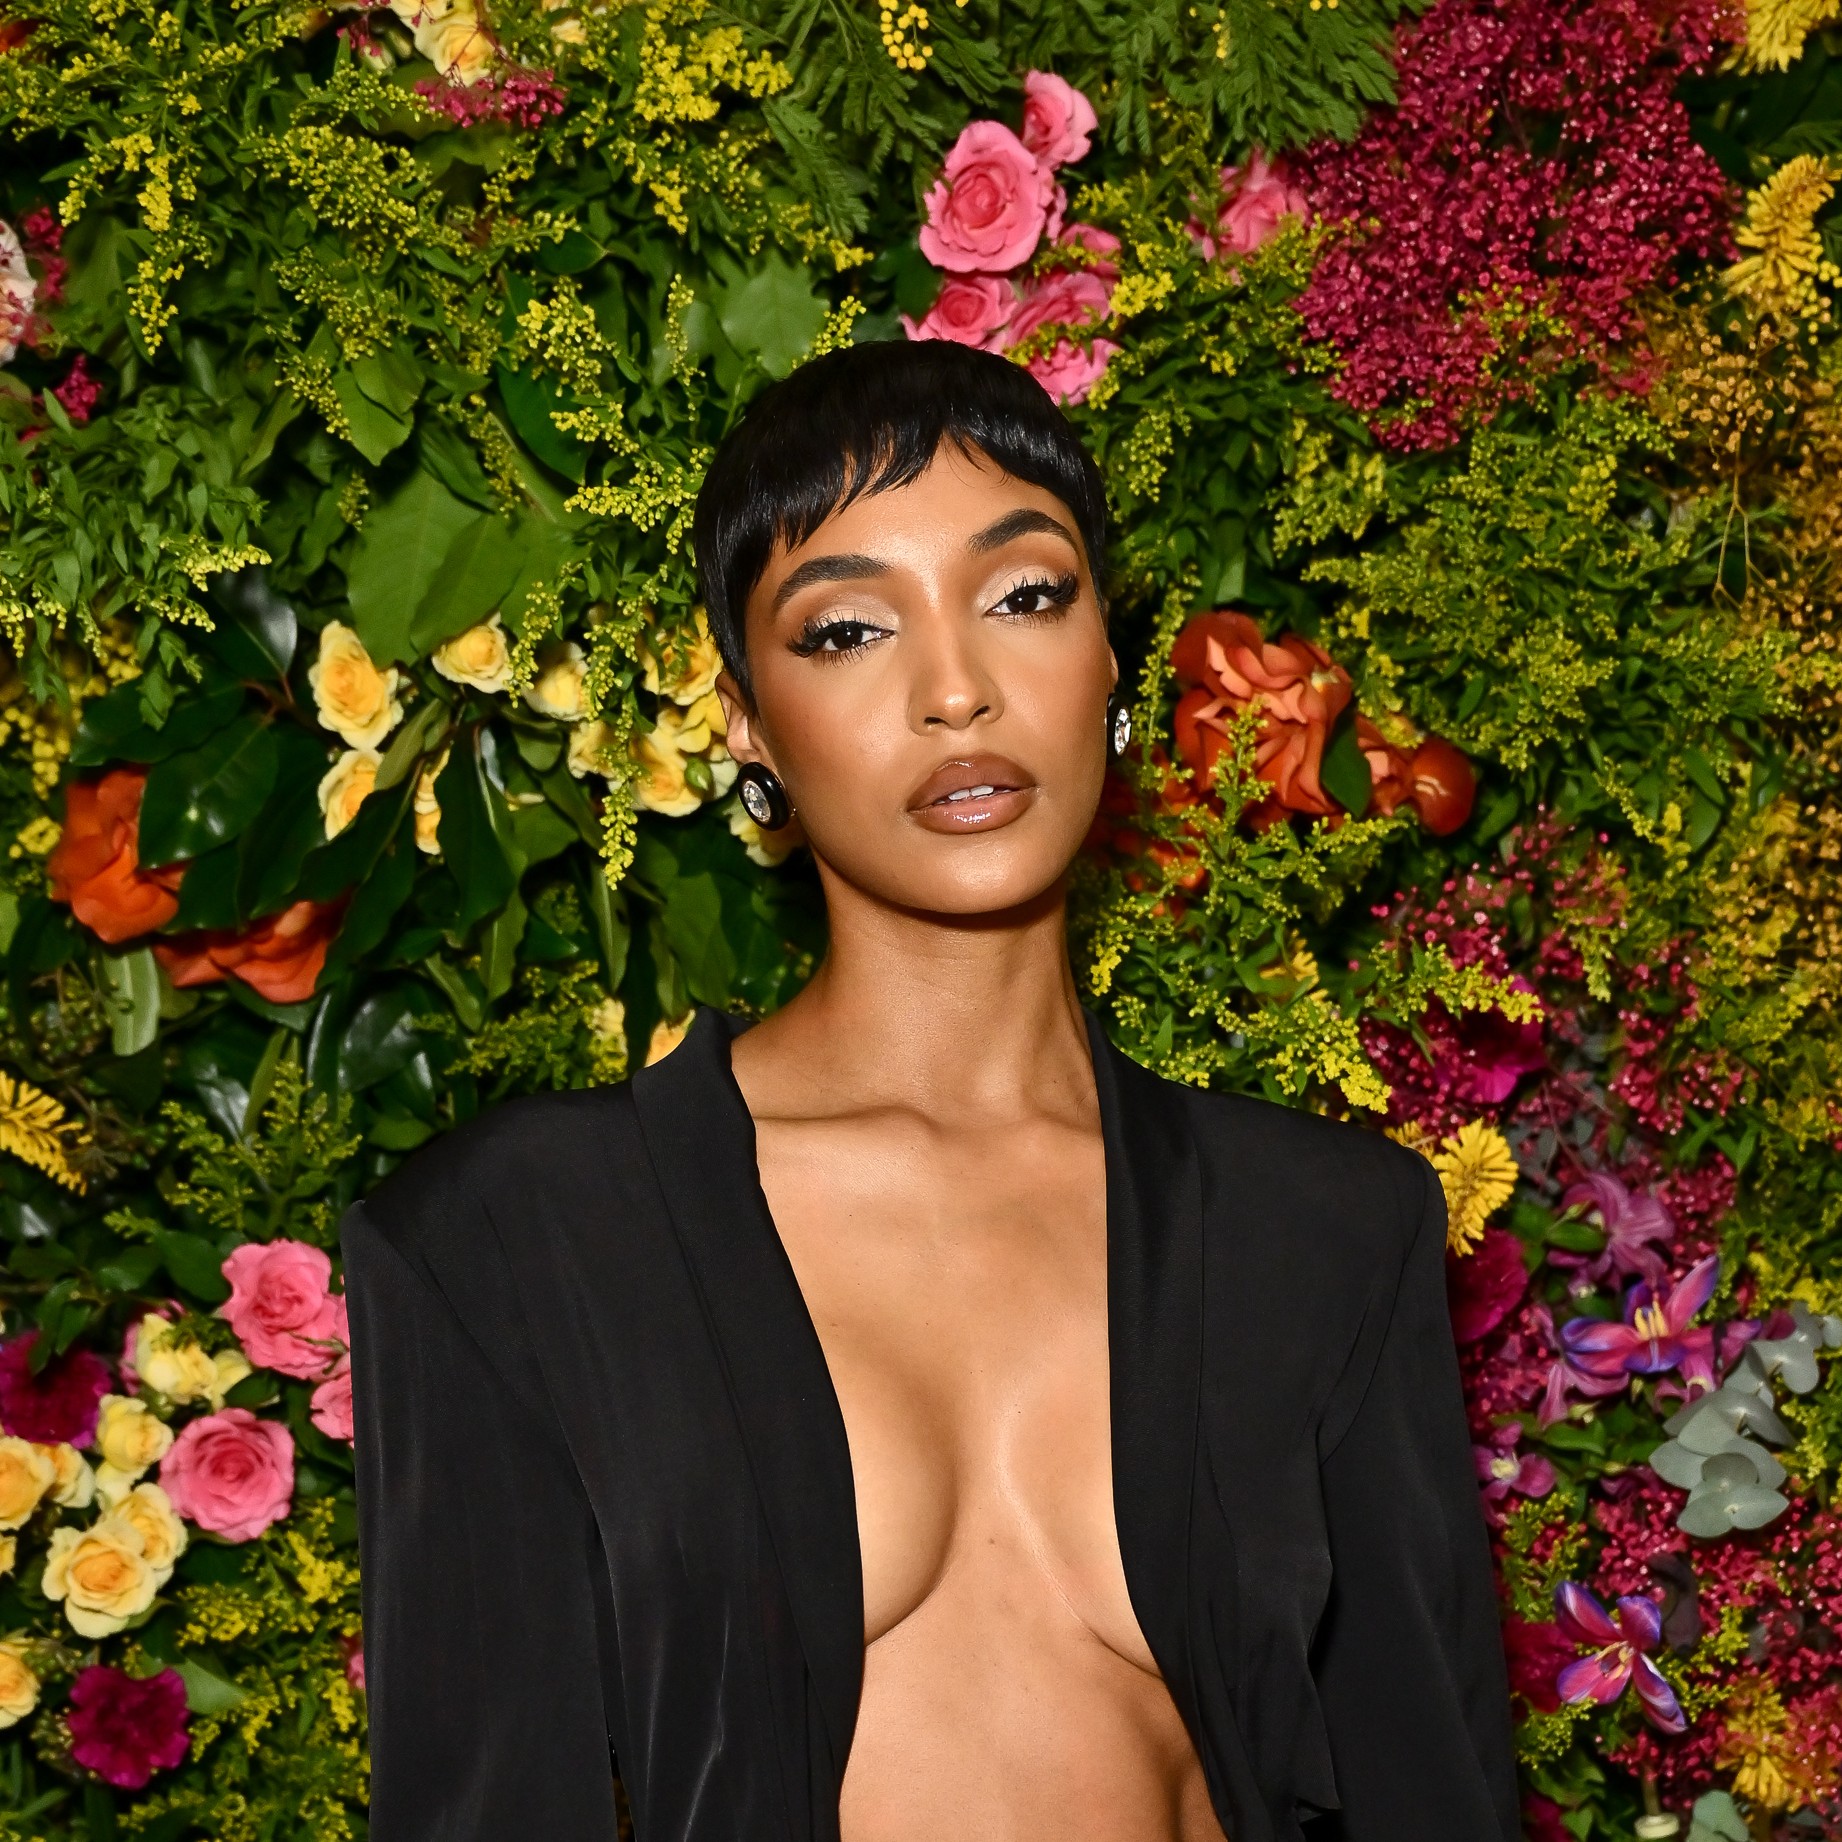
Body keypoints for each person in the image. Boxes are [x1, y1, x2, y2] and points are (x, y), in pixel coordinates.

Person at [343, 339, 1519, 1842]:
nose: (955, 689)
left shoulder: (1329, 1229)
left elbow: (1435, 1797)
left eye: (1024, 596)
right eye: (843, 630)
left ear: (1107, 661)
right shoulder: (514, 1239)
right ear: (750, 725)